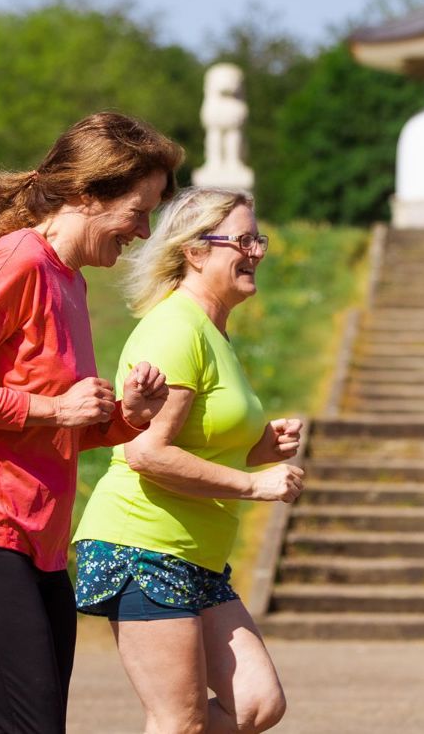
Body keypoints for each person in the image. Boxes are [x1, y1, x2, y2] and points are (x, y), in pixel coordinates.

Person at [0, 111, 184, 734]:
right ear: (88, 195)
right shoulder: (19, 262)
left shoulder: (70, 283)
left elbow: (62, 429)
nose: (142, 232)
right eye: (139, 211)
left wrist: (127, 421)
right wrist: (56, 407)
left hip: (41, 543)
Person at [73, 187, 305, 734]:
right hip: (144, 546)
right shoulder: (176, 328)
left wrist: (260, 447)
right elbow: (145, 450)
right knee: (179, 721)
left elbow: (196, 437)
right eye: (243, 241)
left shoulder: (213, 331)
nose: (255, 253)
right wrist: (255, 484)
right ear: (195, 251)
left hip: (196, 556)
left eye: (259, 241)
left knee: (255, 704)